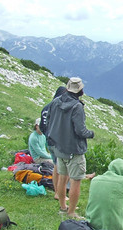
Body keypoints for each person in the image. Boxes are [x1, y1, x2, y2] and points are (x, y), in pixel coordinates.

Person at [46, 77, 94, 219]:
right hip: (74, 149)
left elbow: (49, 121)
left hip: (59, 147)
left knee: (62, 177)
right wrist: (90, 134)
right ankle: (71, 212)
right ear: (80, 90)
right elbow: (80, 131)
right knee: (75, 180)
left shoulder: (55, 102)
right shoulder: (77, 106)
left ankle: (62, 207)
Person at [40, 86, 68, 200]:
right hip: (59, 142)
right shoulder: (58, 107)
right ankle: (60, 194)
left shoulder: (46, 107)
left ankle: (57, 191)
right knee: (63, 168)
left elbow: (42, 126)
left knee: (57, 165)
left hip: (49, 141)